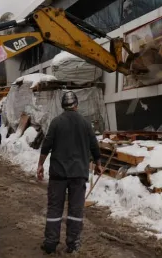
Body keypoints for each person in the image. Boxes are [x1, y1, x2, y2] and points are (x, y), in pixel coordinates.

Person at [37, 91, 103, 254]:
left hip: (58, 174)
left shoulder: (56, 122)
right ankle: (73, 243)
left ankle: (51, 242)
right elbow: (94, 146)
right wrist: (99, 164)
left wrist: (40, 165)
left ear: (63, 105)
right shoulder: (85, 123)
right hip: (78, 174)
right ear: (76, 105)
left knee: (54, 209)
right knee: (75, 210)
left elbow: (46, 145)